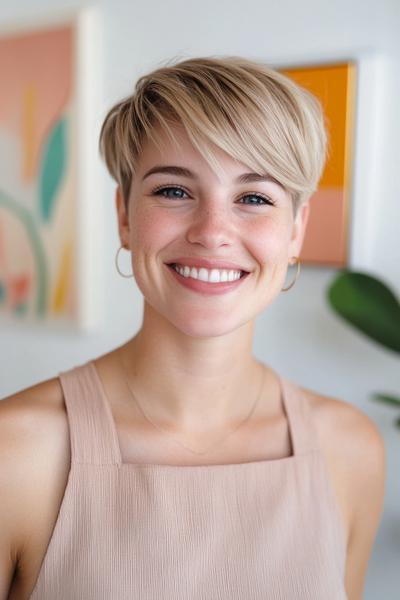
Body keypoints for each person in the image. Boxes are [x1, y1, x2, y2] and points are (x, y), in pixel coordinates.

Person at [0, 56, 385, 600]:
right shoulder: (14, 452)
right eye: (174, 191)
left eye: (254, 198)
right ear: (125, 217)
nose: (212, 232)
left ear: (296, 231)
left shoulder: (350, 448)